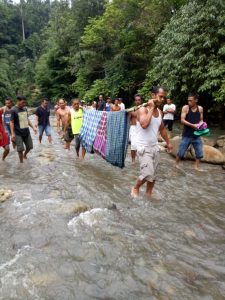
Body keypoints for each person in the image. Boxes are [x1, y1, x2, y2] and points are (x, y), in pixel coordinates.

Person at [131, 87, 173, 200]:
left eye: (164, 97)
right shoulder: (142, 110)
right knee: (147, 173)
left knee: (153, 175)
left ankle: (149, 194)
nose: (163, 99)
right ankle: (135, 187)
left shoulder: (160, 112)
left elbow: (162, 128)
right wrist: (152, 107)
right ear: (153, 96)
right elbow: (144, 125)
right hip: (143, 148)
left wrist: (168, 142)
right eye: (160, 96)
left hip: (154, 147)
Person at [175, 93, 204, 171]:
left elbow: (201, 120)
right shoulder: (185, 108)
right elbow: (182, 120)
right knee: (181, 152)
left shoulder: (200, 109)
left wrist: (202, 125)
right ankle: (177, 165)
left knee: (199, 153)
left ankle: (196, 167)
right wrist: (193, 125)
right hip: (186, 135)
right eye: (188, 100)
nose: (189, 102)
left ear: (196, 100)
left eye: (191, 101)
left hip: (196, 135)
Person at [10, 96, 37, 163]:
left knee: (30, 147)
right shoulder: (13, 110)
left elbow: (27, 119)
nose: (24, 104)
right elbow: (11, 122)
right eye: (23, 102)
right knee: (20, 149)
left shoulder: (24, 109)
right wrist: (12, 133)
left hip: (26, 132)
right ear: (18, 101)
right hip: (18, 133)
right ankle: (21, 163)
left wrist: (33, 127)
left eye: (25, 102)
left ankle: (24, 155)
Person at [129, 94, 142, 163]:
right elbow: (128, 119)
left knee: (140, 145)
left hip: (141, 128)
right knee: (133, 145)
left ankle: (139, 159)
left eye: (139, 100)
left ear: (141, 101)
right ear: (134, 101)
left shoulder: (144, 109)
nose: (137, 101)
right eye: (136, 100)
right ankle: (133, 161)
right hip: (133, 128)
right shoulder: (132, 110)